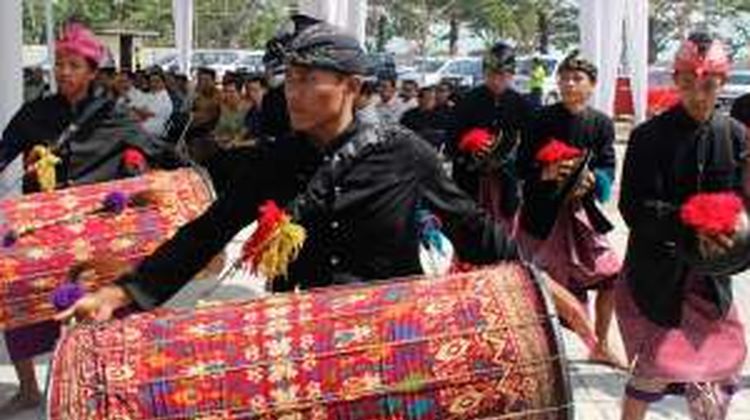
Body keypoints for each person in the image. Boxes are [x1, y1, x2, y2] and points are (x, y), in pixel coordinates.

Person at [61, 21, 591, 384]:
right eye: (288, 79)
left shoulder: (404, 153)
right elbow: (210, 229)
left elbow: (472, 227)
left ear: (351, 88)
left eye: (308, 80)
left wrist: (539, 285)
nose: (291, 92)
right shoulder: (277, 160)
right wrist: (126, 290)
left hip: (392, 338)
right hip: (303, 340)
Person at [0, 23, 175, 415]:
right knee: (15, 296)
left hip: (97, 230)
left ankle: (105, 388)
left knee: (103, 307)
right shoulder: (34, 114)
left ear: (92, 70)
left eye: (73, 64)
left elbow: (156, 151)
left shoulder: (115, 115)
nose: (63, 71)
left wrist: (189, 176)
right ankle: (29, 389)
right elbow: (3, 151)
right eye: (59, 64)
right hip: (42, 226)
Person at [604, 33, 750, 420]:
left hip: (710, 274)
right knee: (654, 366)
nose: (699, 93)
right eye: (690, 82)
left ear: (721, 84)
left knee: (726, 361)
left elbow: (745, 198)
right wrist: (689, 224)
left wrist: (734, 227)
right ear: (677, 80)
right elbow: (633, 207)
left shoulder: (737, 136)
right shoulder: (649, 136)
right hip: (659, 272)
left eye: (709, 84)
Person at [517, 51, 624, 369]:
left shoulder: (601, 123)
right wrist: (545, 174)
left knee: (610, 276)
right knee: (538, 285)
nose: (568, 83)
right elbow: (521, 165)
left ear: (592, 85)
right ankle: (538, 352)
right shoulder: (540, 118)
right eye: (564, 78)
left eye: (577, 78)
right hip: (543, 217)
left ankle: (601, 346)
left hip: (583, 215)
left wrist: (594, 180)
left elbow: (607, 165)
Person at [449, 41, 533, 228]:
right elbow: (452, 140)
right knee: (470, 233)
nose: (496, 80)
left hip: (507, 182)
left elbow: (532, 144)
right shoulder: (468, 101)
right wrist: (468, 149)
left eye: (502, 75)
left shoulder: (521, 105)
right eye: (492, 75)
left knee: (506, 234)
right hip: (471, 180)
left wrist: (513, 159)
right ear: (484, 74)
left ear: (511, 75)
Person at [214, 76, 250, 149]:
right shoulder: (223, 107)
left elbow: (245, 131)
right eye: (226, 91)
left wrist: (231, 140)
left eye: (232, 92)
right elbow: (218, 129)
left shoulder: (248, 108)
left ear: (240, 93)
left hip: (240, 146)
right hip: (223, 144)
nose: (228, 95)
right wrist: (218, 137)